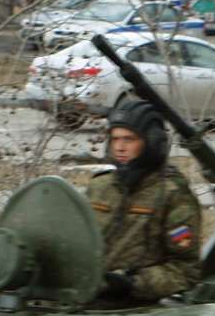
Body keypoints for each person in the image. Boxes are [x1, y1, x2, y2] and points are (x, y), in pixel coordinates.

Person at [85, 97, 203, 305]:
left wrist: (131, 284)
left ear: (151, 142)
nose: (120, 147)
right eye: (115, 139)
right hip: (86, 300)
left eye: (129, 139)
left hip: (138, 307)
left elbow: (185, 270)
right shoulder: (99, 187)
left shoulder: (172, 195)